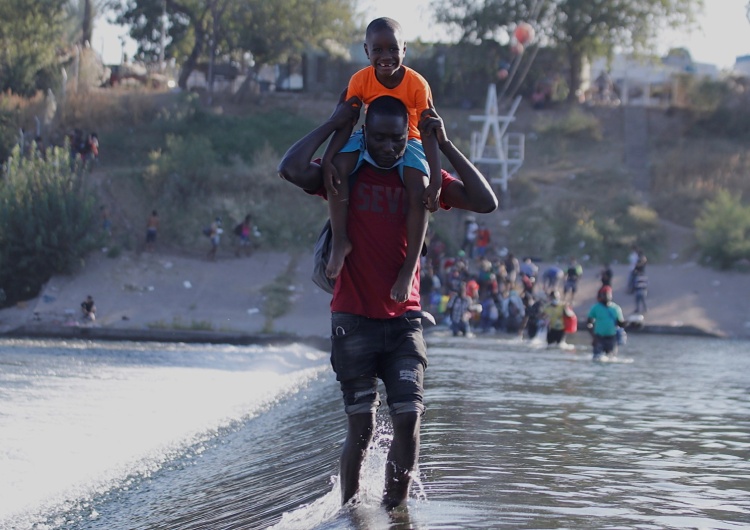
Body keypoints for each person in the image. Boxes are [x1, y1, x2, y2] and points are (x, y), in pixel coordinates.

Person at [277, 94, 497, 510]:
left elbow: (486, 202)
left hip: (404, 322)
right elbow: (290, 168)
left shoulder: (419, 173)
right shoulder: (346, 173)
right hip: (352, 319)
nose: (389, 147)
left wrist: (445, 145)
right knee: (359, 429)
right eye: (379, 138)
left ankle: (393, 511)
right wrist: (332, 122)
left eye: (397, 139)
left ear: (406, 136)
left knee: (409, 418)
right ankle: (349, 509)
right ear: (364, 134)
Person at [321, 18, 442, 305]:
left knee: (417, 189)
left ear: (404, 49)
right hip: (368, 137)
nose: (386, 57)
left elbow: (429, 131)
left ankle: (409, 267)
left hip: (408, 140)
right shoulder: (360, 80)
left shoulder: (417, 84)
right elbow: (346, 123)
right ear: (366, 51)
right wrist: (327, 158)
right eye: (378, 50)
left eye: (393, 49)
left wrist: (435, 179)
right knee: (339, 170)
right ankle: (340, 240)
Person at [586, 286, 625, 360]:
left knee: (611, 358)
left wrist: (631, 324)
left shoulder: (616, 308)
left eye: (608, 294)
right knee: (597, 358)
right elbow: (588, 323)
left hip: (612, 337)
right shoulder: (596, 308)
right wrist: (593, 336)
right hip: (599, 337)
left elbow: (621, 324)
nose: (606, 296)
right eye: (604, 294)